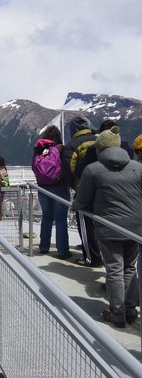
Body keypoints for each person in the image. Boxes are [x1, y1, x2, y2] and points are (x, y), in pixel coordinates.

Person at [71, 126, 142, 328]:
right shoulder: (138, 168)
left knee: (114, 270)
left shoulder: (93, 170)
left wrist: (76, 206)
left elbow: (82, 200)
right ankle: (130, 310)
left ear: (99, 149)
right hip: (136, 227)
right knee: (130, 268)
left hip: (108, 226)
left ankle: (117, 314)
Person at [62, 115, 102, 267]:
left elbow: (69, 169)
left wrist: (76, 186)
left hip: (84, 189)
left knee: (85, 224)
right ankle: (102, 256)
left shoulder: (72, 145)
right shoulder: (98, 139)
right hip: (103, 189)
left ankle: (92, 258)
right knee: (101, 224)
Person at [33, 125, 71, 259]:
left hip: (43, 187)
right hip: (59, 186)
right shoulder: (61, 149)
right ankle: (62, 250)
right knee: (60, 219)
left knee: (47, 217)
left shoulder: (41, 149)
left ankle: (44, 246)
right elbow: (67, 166)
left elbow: (35, 166)